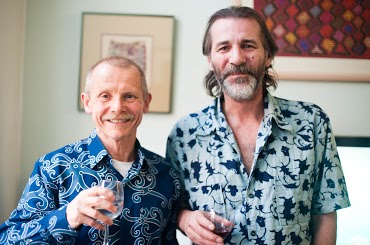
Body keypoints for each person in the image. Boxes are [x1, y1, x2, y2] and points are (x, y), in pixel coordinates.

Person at [166, 6, 350, 245]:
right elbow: (170, 209)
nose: (237, 58)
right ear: (210, 60)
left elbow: (325, 212)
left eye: (248, 45)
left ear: (269, 55)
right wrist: (184, 218)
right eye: (224, 48)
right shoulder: (183, 135)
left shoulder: (312, 122)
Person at [0, 56, 181, 244]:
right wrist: (67, 216)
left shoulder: (167, 175)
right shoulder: (52, 167)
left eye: (129, 96)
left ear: (146, 102)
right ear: (87, 103)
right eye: (105, 96)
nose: (118, 107)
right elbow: (7, 239)